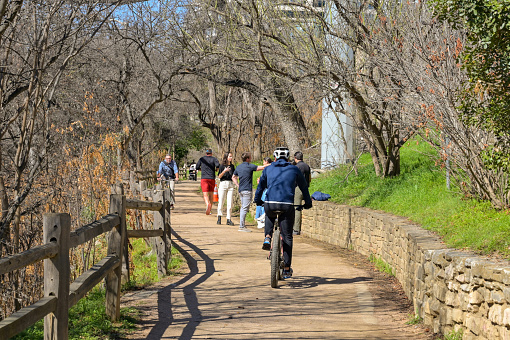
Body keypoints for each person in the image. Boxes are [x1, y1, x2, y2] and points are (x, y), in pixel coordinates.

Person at [254, 147, 312, 279]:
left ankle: (268, 237)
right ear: (288, 158)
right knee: (287, 236)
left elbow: (260, 186)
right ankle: (286, 268)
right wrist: (308, 202)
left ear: (274, 157)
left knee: (269, 213)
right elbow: (304, 187)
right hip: (287, 205)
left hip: (270, 204)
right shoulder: (294, 169)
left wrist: (257, 200)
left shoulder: (268, 169)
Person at [232, 152, 267, 232]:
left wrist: (237, 185)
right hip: (247, 190)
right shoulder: (249, 166)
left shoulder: (239, 167)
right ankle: (241, 226)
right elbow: (261, 167)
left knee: (243, 207)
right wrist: (272, 164)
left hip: (241, 190)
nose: (251, 158)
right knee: (245, 208)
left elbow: (233, 177)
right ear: (247, 159)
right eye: (250, 157)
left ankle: (242, 225)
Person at [292, 151, 311, 235]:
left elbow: (294, 179)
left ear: (295, 158)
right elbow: (309, 178)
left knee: (297, 207)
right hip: (305, 188)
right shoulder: (307, 166)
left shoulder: (297, 167)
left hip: (298, 188)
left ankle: (296, 229)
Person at [196, 149, 220, 215]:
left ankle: (207, 204)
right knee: (211, 194)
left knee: (205, 194)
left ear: (206, 153)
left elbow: (197, 167)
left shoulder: (202, 159)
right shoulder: (214, 159)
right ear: (211, 153)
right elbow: (218, 166)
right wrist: (216, 170)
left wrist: (202, 169)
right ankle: (210, 209)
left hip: (204, 178)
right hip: (212, 178)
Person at [217, 152, 236, 226]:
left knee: (230, 203)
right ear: (226, 157)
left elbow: (234, 176)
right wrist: (224, 171)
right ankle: (219, 217)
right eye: (230, 156)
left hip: (230, 184)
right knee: (221, 201)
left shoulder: (232, 166)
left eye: (231, 156)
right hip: (223, 184)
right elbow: (219, 176)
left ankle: (229, 218)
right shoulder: (222, 166)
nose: (231, 158)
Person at [255, 157, 273, 229]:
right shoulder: (272, 168)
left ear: (266, 162)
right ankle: (261, 218)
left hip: (266, 189)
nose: (263, 163)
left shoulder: (267, 169)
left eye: (264, 162)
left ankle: (262, 219)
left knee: (263, 204)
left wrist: (259, 182)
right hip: (267, 189)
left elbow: (265, 180)